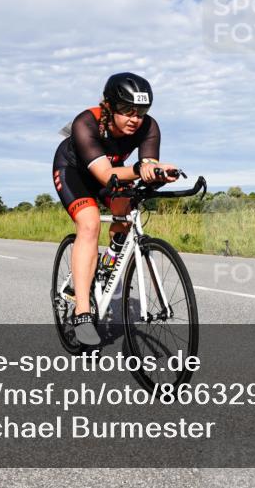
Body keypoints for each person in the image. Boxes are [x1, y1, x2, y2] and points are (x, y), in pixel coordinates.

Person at [52, 72, 179, 346]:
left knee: (128, 207)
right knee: (89, 223)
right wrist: (137, 169)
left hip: (112, 173)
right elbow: (104, 173)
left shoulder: (148, 126)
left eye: (142, 111)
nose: (135, 118)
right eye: (127, 110)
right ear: (109, 106)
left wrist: (158, 171)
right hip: (75, 171)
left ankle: (108, 261)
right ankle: (82, 310)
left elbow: (147, 165)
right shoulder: (86, 122)